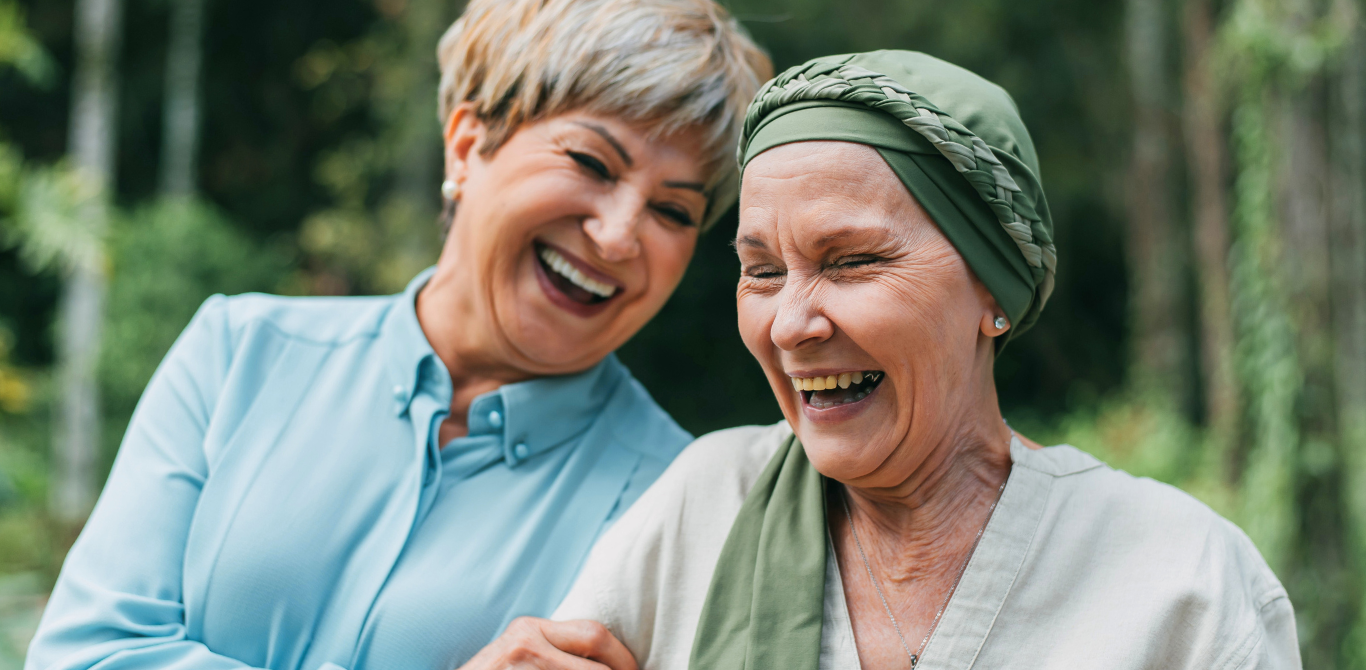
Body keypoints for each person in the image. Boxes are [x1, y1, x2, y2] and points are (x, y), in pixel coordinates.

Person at [25, 0, 771, 670]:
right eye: (591, 162)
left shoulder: (676, 502)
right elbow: (82, 655)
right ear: (466, 144)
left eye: (673, 211)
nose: (618, 236)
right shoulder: (238, 353)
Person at [461, 51, 1301, 670]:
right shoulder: (703, 506)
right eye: (762, 271)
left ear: (993, 288)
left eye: (852, 262)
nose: (791, 325)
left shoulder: (1178, 580)